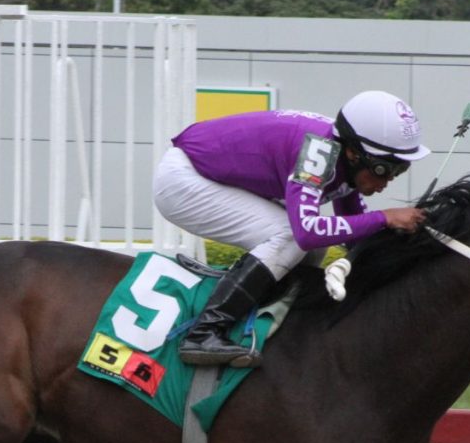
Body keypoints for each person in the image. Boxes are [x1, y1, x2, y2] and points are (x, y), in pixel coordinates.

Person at [153, 90, 430, 368]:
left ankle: (271, 320)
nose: (390, 179)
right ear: (352, 153)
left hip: (205, 174)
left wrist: (403, 242)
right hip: (183, 180)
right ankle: (204, 332)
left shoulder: (343, 153)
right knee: (293, 236)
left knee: (314, 243)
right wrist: (385, 218)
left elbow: (353, 231)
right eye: (384, 169)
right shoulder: (319, 152)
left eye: (400, 170)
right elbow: (307, 231)